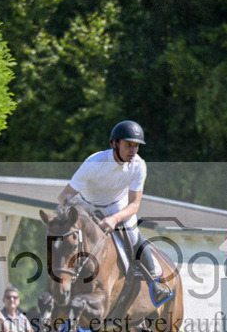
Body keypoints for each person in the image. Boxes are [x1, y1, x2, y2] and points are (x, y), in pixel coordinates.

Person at [57, 120, 172, 306]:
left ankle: (155, 283)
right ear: (114, 144)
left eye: (136, 146)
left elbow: (134, 205)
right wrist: (85, 213)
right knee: (64, 239)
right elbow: (64, 197)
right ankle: (58, 279)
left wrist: (114, 219)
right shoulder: (94, 163)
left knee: (134, 235)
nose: (133, 150)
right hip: (88, 208)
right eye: (128, 145)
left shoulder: (139, 165)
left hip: (118, 208)